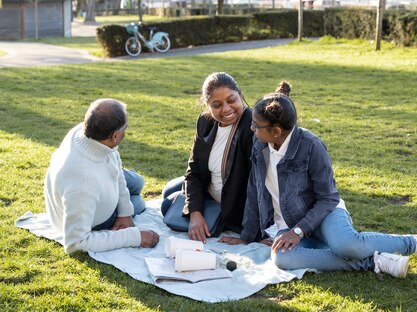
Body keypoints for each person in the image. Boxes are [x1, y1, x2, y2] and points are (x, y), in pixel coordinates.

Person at [220, 81, 417, 278]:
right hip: (288, 223)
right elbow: (255, 190)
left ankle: (411, 242)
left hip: (324, 215)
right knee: (282, 257)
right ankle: (373, 261)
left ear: (277, 131)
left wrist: (298, 231)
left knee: (347, 245)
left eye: (256, 125)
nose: (252, 129)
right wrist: (246, 237)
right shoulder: (259, 144)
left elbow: (328, 198)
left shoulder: (311, 146)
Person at [44, 98, 159, 254]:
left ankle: (125, 205)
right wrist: (134, 236)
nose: (127, 130)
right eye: (126, 128)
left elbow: (114, 163)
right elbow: (75, 244)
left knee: (138, 182)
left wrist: (125, 212)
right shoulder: (82, 183)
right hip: (91, 213)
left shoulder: (86, 131)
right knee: (138, 202)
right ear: (115, 136)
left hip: (97, 181)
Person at [161, 72, 253, 243]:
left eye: (231, 100)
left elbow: (259, 185)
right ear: (207, 105)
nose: (226, 109)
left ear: (240, 95)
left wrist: (251, 232)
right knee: (169, 192)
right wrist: (195, 213)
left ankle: (216, 217)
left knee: (168, 205)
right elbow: (194, 170)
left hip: (233, 203)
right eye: (217, 105)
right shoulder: (205, 122)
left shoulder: (252, 125)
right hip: (210, 190)